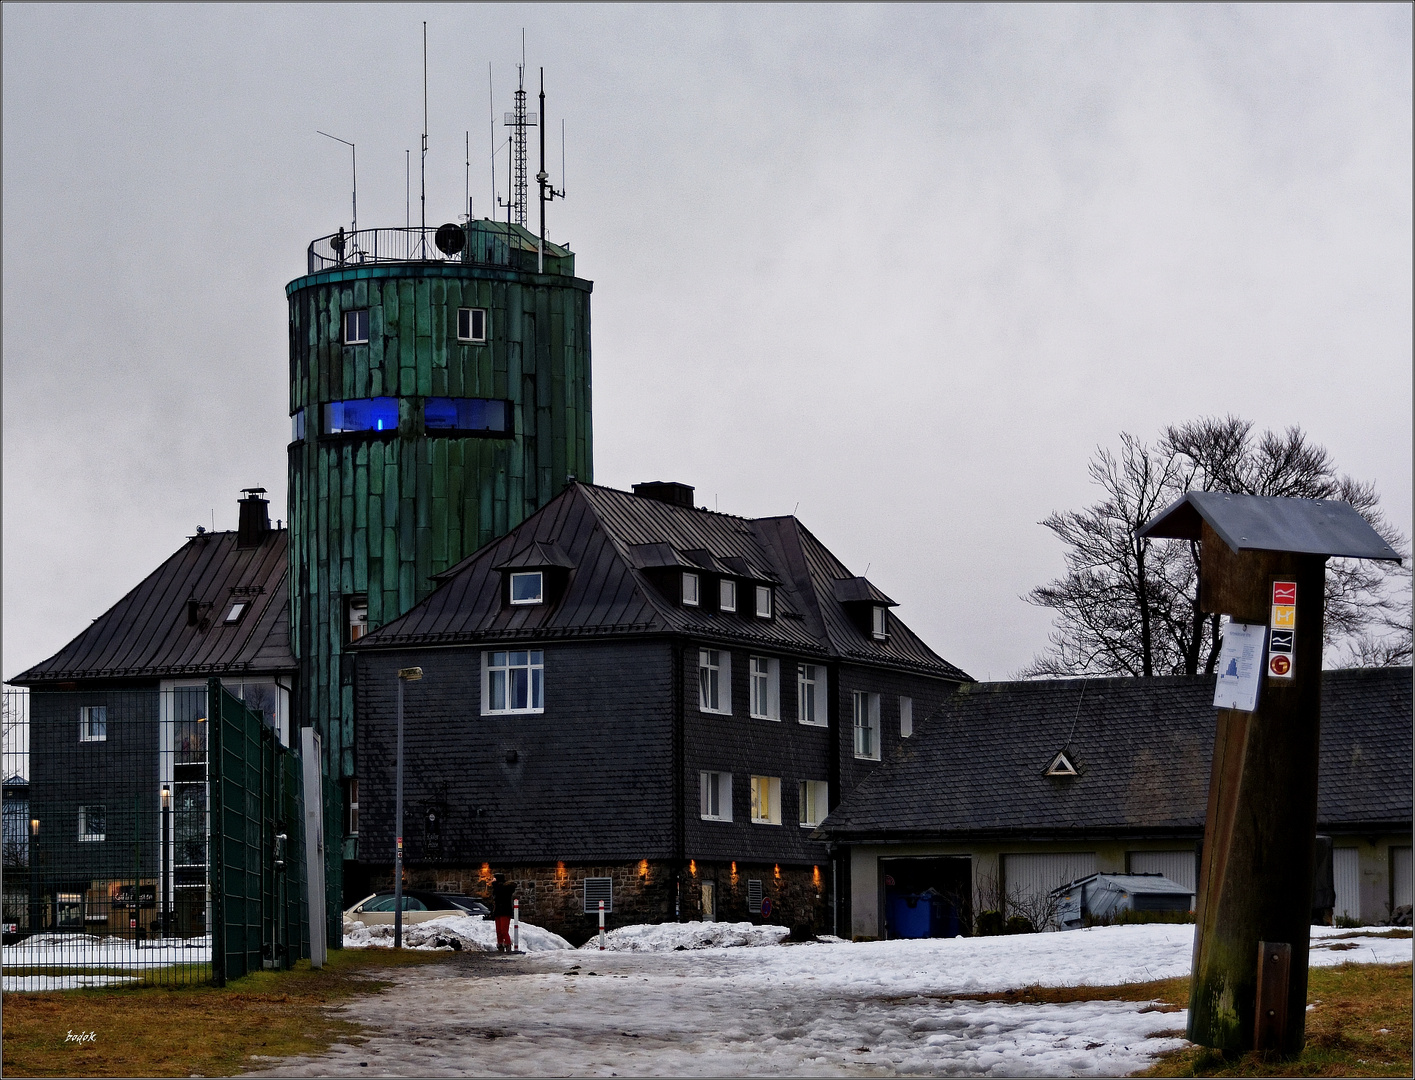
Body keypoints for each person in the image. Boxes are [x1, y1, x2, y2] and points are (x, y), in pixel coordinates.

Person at [490, 872, 517, 953]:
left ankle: (507, 944)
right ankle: (500, 944)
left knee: (504, 931)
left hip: (505, 911)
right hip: (498, 911)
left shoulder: (506, 888)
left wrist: (494, 884)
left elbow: (500, 892)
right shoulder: (498, 888)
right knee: (498, 931)